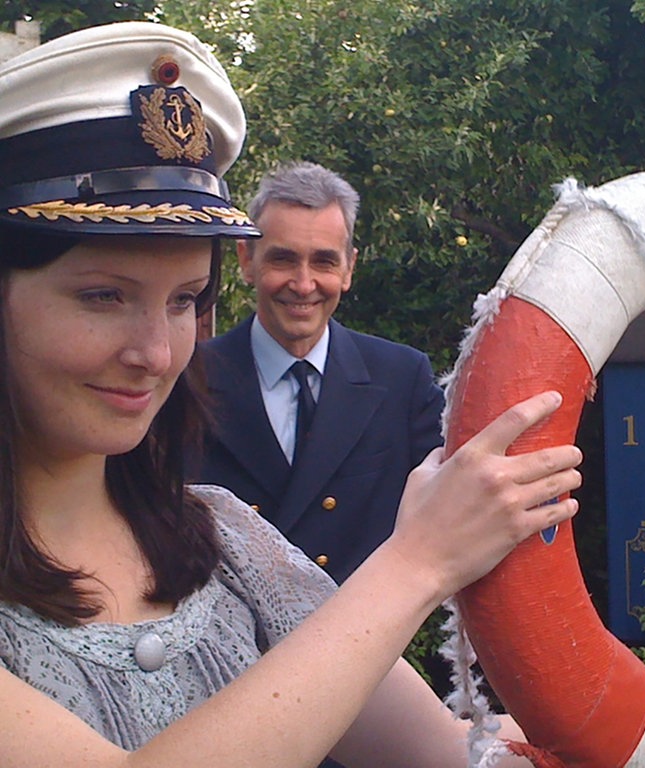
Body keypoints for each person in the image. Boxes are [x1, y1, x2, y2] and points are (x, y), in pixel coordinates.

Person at [0, 20, 583, 768]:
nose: (156, 354)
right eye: (103, 296)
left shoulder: (226, 540)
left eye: (184, 301)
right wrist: (418, 562)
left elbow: (450, 753)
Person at [191, 161, 444, 584]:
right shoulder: (187, 380)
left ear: (348, 269)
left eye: (324, 262)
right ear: (246, 260)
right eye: (283, 259)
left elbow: (448, 515)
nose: (304, 284)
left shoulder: (403, 380)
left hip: (363, 624)